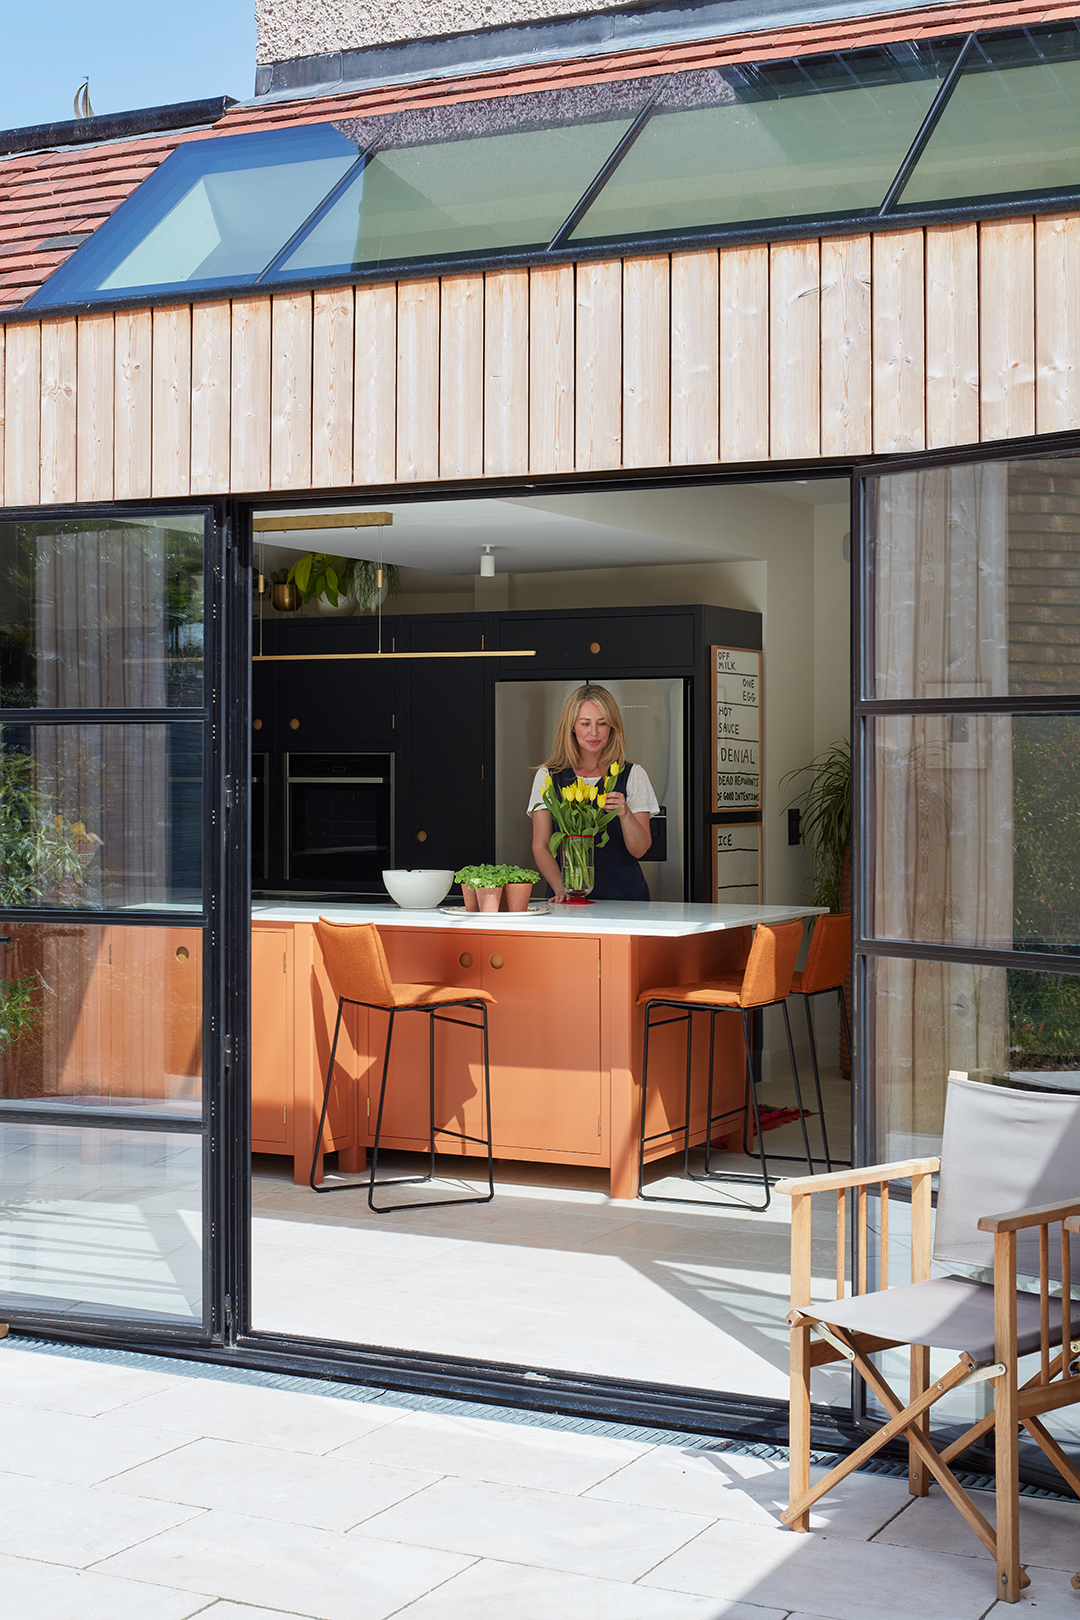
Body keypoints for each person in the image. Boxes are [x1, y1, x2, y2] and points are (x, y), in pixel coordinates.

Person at [528, 684, 658, 902]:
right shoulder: (548, 776)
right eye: (585, 723)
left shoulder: (633, 775)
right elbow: (540, 845)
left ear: (612, 727)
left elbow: (640, 850)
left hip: (624, 894)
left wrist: (625, 814)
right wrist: (563, 889)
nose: (594, 732)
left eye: (602, 723)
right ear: (571, 727)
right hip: (567, 898)